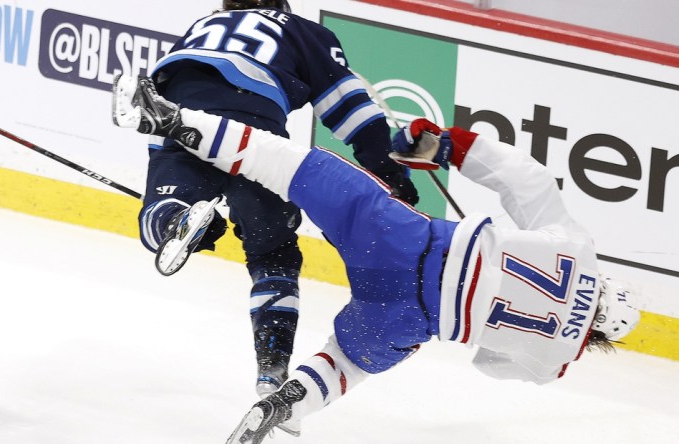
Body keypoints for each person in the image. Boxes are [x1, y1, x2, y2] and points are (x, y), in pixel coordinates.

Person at [113, 82, 642, 443]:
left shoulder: (579, 251)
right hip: (407, 318)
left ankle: (170, 120)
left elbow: (526, 181)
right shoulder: (552, 363)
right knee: (348, 363)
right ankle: (285, 406)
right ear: (599, 337)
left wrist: (447, 147)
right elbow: (487, 362)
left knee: (299, 168)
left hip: (406, 242)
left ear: (608, 286)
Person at [120, 0, 418, 419]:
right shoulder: (302, 31)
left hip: (177, 112)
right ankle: (271, 369)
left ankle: (175, 217)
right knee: (272, 250)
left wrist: (164, 172)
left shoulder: (203, 24)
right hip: (249, 122)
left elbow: (163, 104)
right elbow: (352, 109)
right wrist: (386, 169)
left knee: (157, 219)